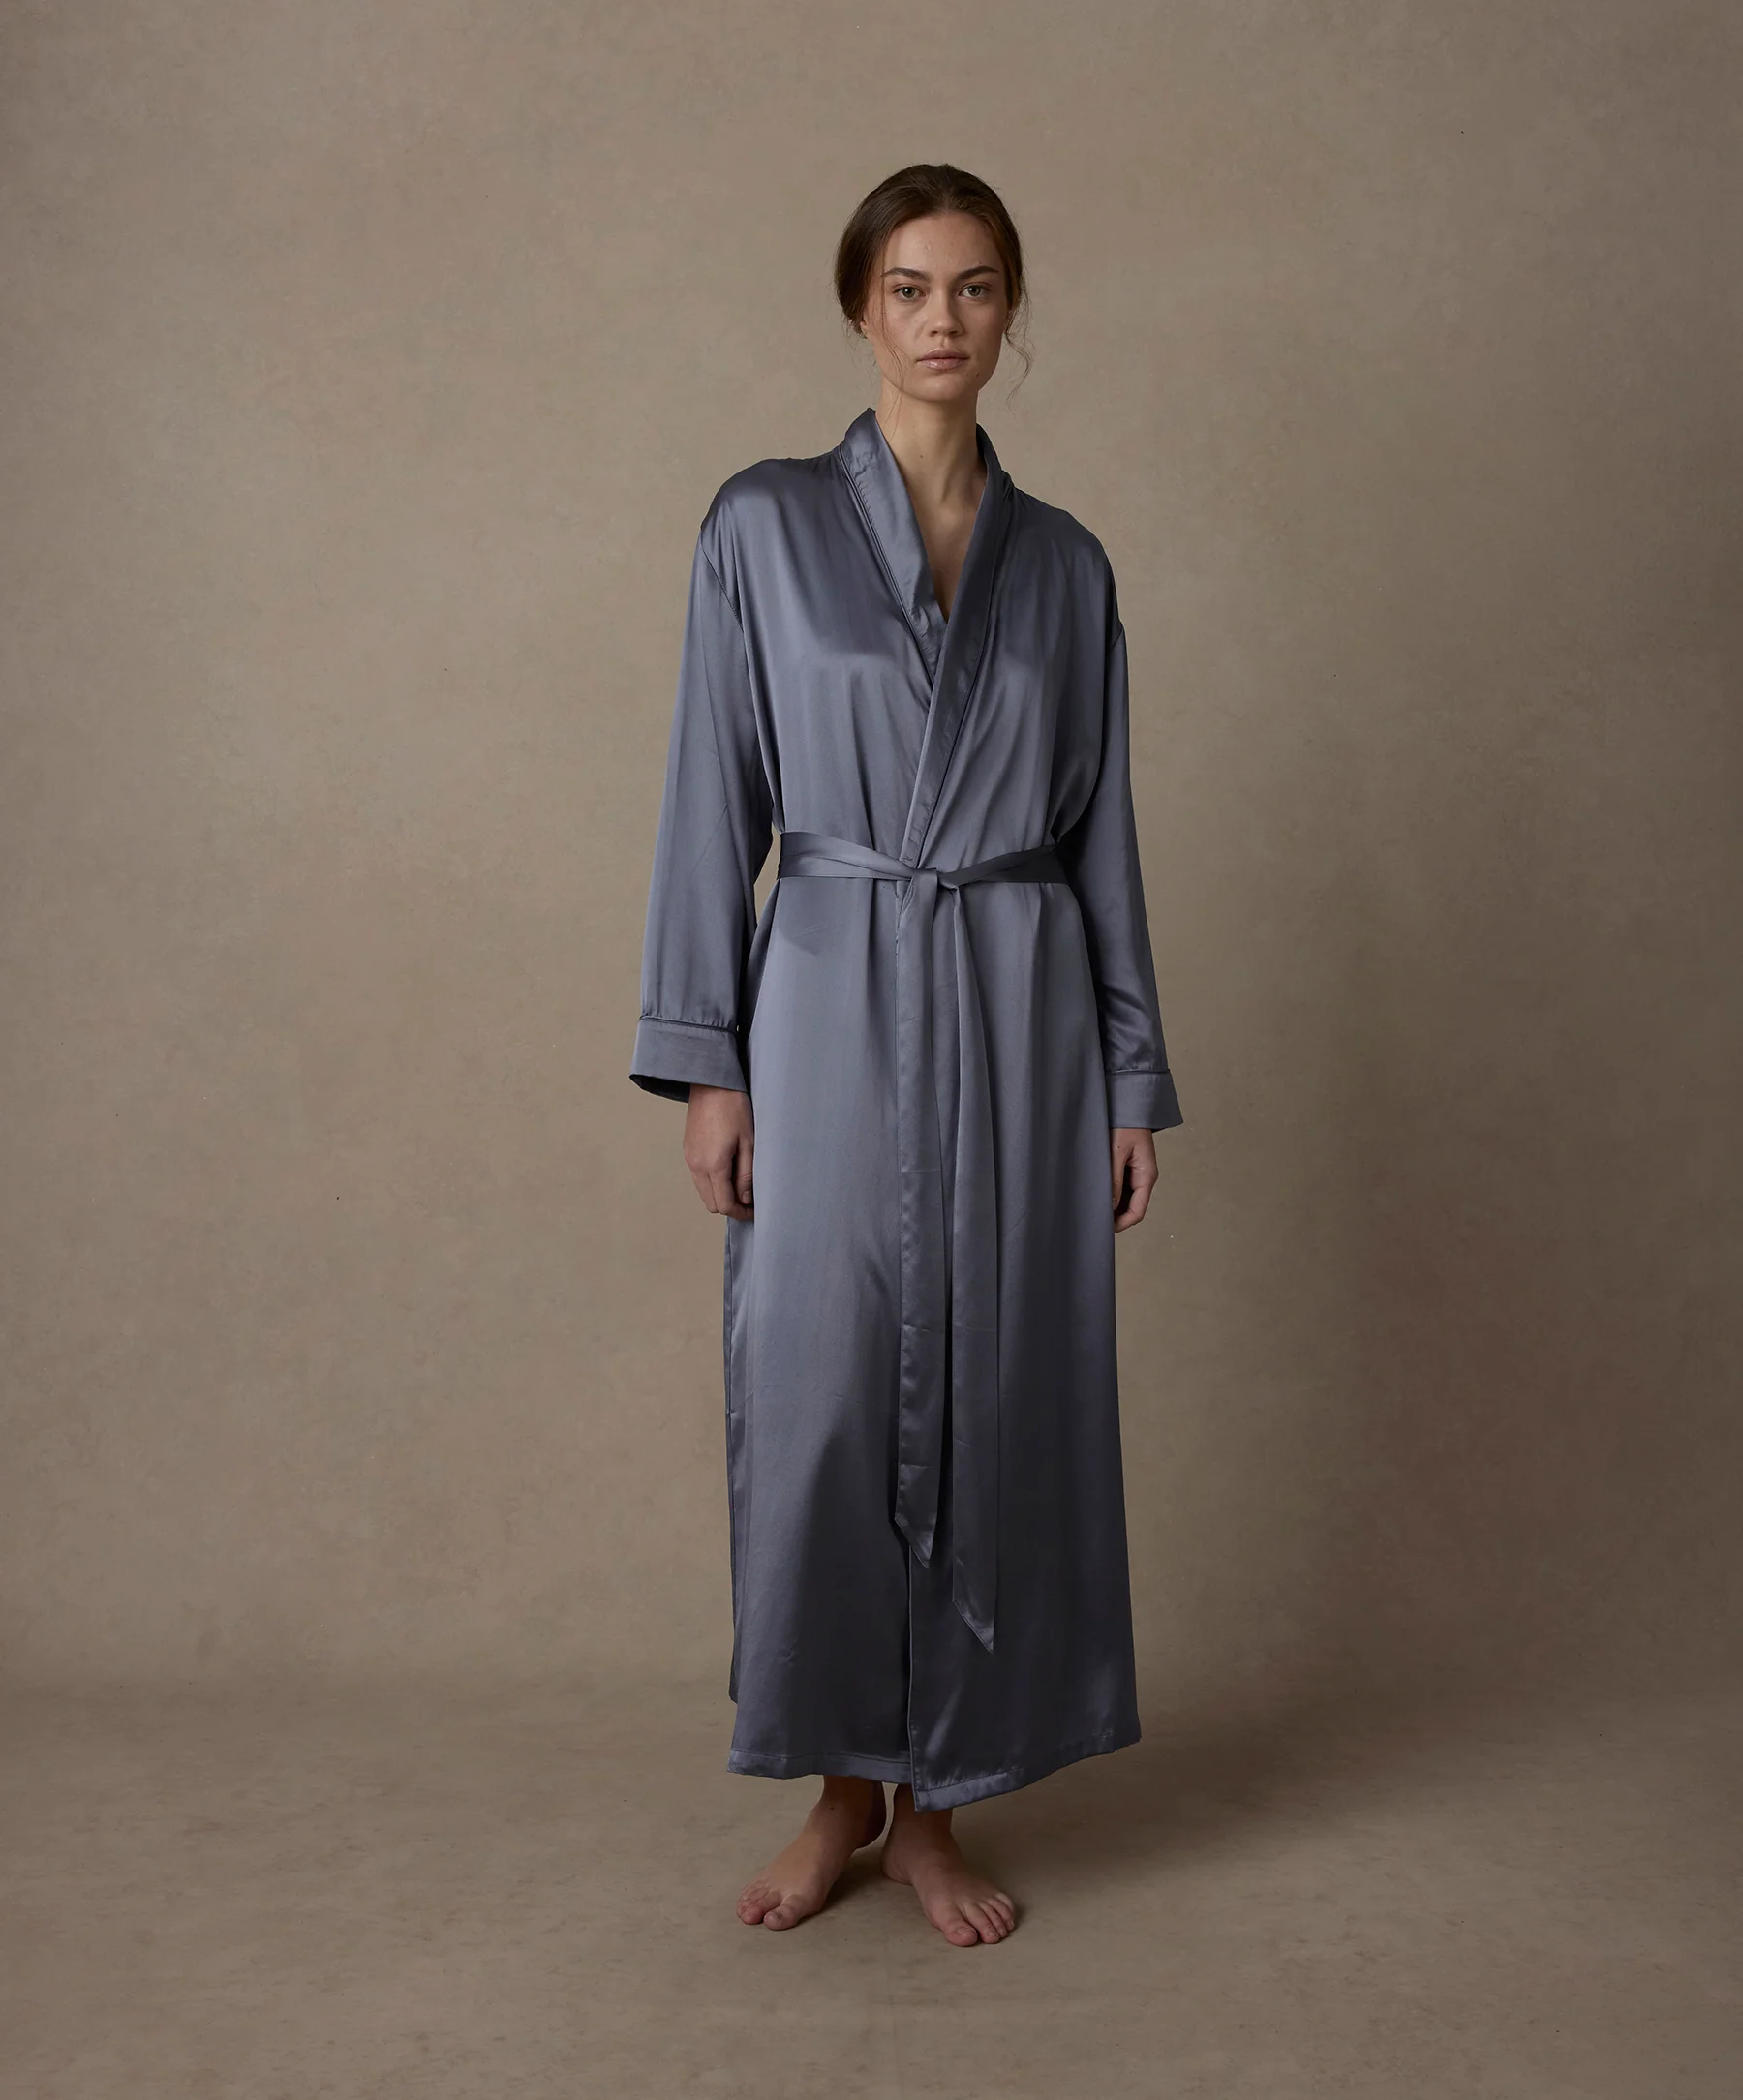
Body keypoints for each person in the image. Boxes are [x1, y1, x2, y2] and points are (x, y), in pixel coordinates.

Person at [630, 163, 1183, 1948]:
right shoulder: (763, 527)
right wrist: (710, 1061)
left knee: (997, 1391)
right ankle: (837, 1789)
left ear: (1012, 311)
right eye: (911, 288)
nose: (945, 319)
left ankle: (937, 1807)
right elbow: (711, 802)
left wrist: (1129, 1073)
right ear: (859, 307)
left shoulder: (1067, 564)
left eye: (978, 287)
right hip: (826, 998)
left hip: (1020, 1006)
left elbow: (1100, 841)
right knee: (822, 1387)